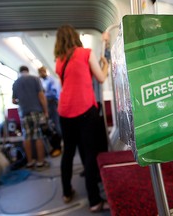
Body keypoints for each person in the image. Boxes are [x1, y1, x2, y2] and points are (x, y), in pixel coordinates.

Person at [54, 24, 109, 212]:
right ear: (75, 37)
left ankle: (66, 192)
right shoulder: (86, 53)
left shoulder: (59, 61)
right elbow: (101, 78)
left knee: (68, 152)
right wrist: (106, 65)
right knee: (90, 153)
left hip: (64, 112)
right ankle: (94, 201)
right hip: (85, 109)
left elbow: (65, 85)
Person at [12, 65, 49, 170]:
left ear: (20, 72)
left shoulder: (15, 83)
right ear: (27, 71)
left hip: (23, 113)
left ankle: (30, 162)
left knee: (26, 137)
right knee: (38, 136)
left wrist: (23, 102)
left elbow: (14, 101)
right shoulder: (35, 79)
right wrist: (46, 111)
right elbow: (41, 96)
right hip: (36, 111)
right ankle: (40, 162)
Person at [38, 66, 62, 157]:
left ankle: (60, 145)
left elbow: (56, 93)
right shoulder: (40, 81)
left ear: (45, 72)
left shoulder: (51, 80)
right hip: (44, 105)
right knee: (48, 127)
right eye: (40, 72)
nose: (41, 74)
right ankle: (54, 146)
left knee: (56, 124)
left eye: (42, 72)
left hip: (52, 103)